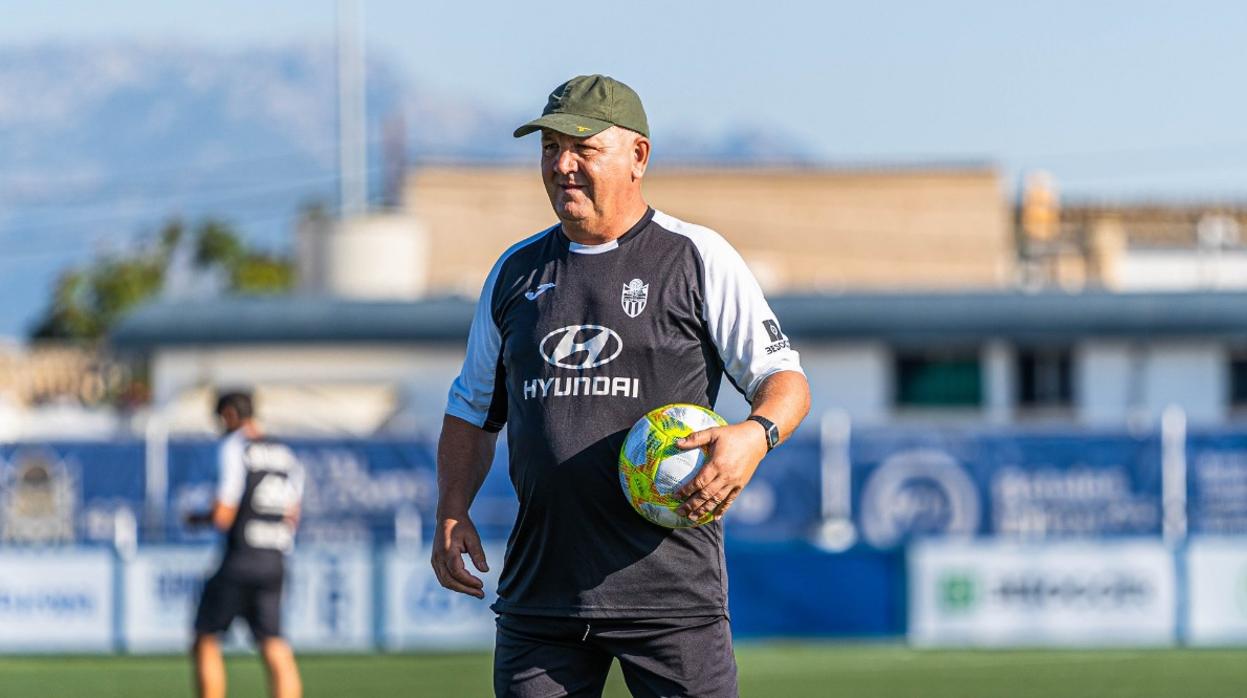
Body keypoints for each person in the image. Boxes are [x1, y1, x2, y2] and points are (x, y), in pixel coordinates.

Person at [433, 74, 811, 697]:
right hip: (542, 598)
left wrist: (754, 434)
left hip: (670, 598)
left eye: (583, 147)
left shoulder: (695, 256)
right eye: (550, 148)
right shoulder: (513, 272)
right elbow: (472, 409)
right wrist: (451, 508)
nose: (563, 165)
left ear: (638, 156)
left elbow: (784, 380)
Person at [188, 391, 304, 698]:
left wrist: (197, 518)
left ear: (229, 414)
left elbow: (223, 514)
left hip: (241, 556)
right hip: (275, 559)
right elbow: (293, 514)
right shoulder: (286, 454)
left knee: (206, 637)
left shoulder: (234, 447)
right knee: (274, 643)